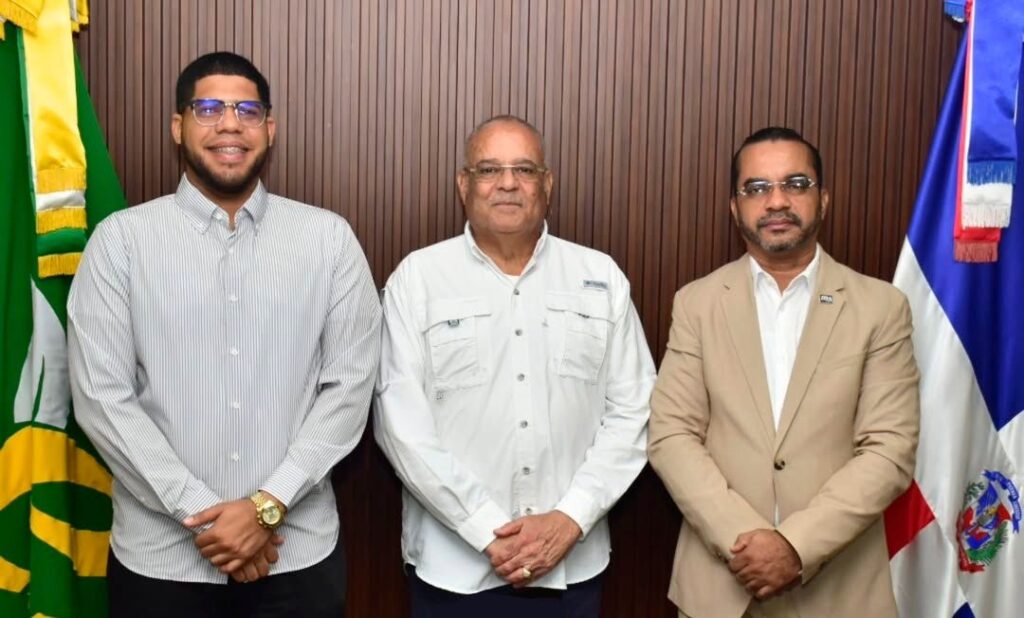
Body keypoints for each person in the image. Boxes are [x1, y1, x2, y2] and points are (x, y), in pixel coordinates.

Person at [68, 51, 381, 617]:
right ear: (178, 126)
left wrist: (266, 506)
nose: (230, 124)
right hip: (162, 563)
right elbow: (102, 398)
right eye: (208, 108)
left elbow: (349, 389)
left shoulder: (328, 240)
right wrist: (207, 518)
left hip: (296, 559)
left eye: (247, 110)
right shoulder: (121, 243)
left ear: (270, 128)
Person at [373, 115, 655, 617]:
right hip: (452, 572)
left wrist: (570, 518)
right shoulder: (418, 279)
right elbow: (401, 426)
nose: (507, 183)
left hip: (572, 566)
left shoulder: (600, 276)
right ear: (464, 185)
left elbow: (635, 410)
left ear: (547, 184)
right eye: (488, 170)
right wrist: (486, 529)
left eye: (524, 169)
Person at [648, 127, 920, 618]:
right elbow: (671, 435)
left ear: (823, 200)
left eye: (795, 184)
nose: (776, 201)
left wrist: (795, 546)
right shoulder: (696, 304)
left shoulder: (881, 307)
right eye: (756, 188)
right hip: (721, 587)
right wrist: (746, 543)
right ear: (735, 207)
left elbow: (889, 450)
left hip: (840, 591)